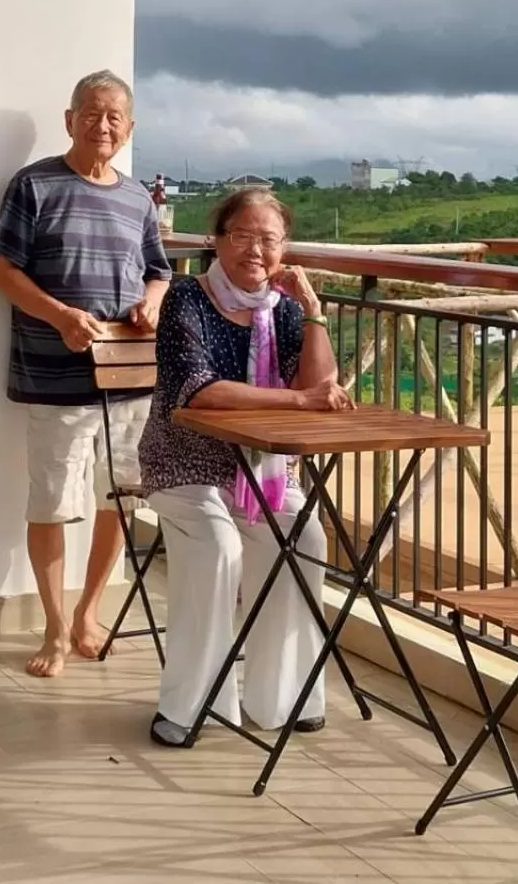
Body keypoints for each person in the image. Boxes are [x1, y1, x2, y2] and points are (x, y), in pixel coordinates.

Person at [136, 187, 355, 747]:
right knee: (217, 547)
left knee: (303, 537)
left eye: (269, 239)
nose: (255, 250)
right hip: (184, 461)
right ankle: (192, 707)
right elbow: (199, 390)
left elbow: (319, 385)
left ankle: (285, 696)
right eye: (242, 235)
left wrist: (313, 312)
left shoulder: (282, 310)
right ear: (217, 240)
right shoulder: (187, 298)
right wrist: (299, 401)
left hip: (259, 470)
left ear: (284, 249)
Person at [0, 70, 173, 678]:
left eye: (114, 116)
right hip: (55, 377)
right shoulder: (34, 185)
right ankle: (54, 626)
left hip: (130, 378)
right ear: (70, 120)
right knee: (52, 501)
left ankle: (89, 612)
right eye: (91, 113)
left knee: (118, 496)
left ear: (130, 128)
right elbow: (2, 270)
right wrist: (61, 316)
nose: (103, 125)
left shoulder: (137, 198)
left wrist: (151, 303)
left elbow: (160, 271)